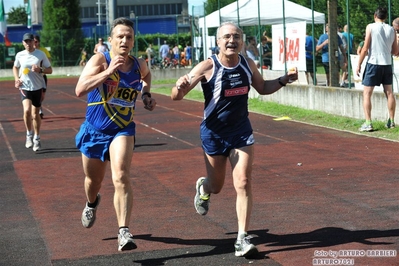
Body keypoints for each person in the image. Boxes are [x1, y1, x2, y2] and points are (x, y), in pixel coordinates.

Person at [171, 22, 298, 258]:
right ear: (218, 42)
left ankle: (242, 237)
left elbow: (261, 87)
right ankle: (204, 187)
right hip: (213, 133)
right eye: (226, 37)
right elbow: (176, 96)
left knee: (243, 180)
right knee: (217, 186)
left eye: (236, 37)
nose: (232, 41)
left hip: (240, 131)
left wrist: (282, 80)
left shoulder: (247, 64)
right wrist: (179, 86)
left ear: (242, 41)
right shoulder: (208, 66)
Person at [75, 17, 157, 251]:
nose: (124, 40)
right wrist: (108, 72)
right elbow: (80, 89)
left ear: (133, 42)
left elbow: (147, 76)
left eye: (129, 37)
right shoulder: (100, 59)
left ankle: (124, 231)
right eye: (120, 36)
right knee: (93, 180)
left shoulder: (138, 64)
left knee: (121, 175)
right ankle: (92, 203)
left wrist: (146, 94)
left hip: (123, 128)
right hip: (95, 130)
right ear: (110, 40)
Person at [356, 7, 399, 132]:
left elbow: (365, 48)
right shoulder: (391, 29)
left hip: (373, 63)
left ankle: (368, 122)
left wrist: (359, 63)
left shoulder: (371, 27)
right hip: (386, 64)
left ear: (375, 15)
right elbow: (395, 51)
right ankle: (391, 121)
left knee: (367, 94)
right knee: (389, 93)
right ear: (385, 17)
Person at [13, 33, 52, 152]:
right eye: (26, 41)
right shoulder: (20, 55)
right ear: (23, 43)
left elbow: (50, 70)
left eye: (30, 41)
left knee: (35, 115)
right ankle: (29, 135)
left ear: (33, 42)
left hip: (38, 87)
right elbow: (15, 67)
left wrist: (40, 69)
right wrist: (16, 79)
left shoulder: (41, 54)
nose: (28, 43)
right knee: (26, 111)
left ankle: (37, 137)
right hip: (25, 87)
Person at [34, 35, 51, 119]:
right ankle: (38, 110)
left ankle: (38, 106)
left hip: (42, 76)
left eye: (36, 41)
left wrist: (41, 69)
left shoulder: (43, 51)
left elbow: (49, 64)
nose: (34, 43)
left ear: (39, 42)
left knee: (42, 95)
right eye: (33, 41)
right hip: (33, 77)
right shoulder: (29, 52)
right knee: (34, 94)